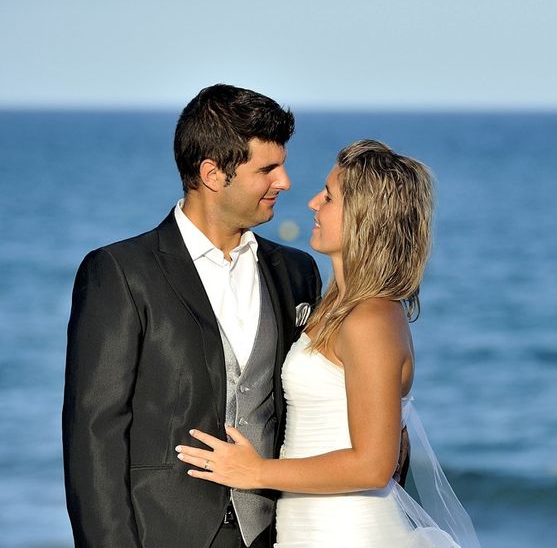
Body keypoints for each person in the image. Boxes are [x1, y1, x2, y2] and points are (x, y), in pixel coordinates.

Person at [177, 140, 480, 547]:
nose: (312, 203)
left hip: (347, 531)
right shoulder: (337, 304)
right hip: (310, 528)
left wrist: (255, 472)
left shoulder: (371, 317)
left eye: (330, 196)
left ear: (363, 217)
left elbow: (373, 465)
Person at [63, 84, 322, 548]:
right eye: (268, 168)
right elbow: (94, 433)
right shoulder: (121, 272)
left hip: (274, 534)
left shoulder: (297, 272)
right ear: (213, 174)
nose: (284, 181)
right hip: (159, 533)